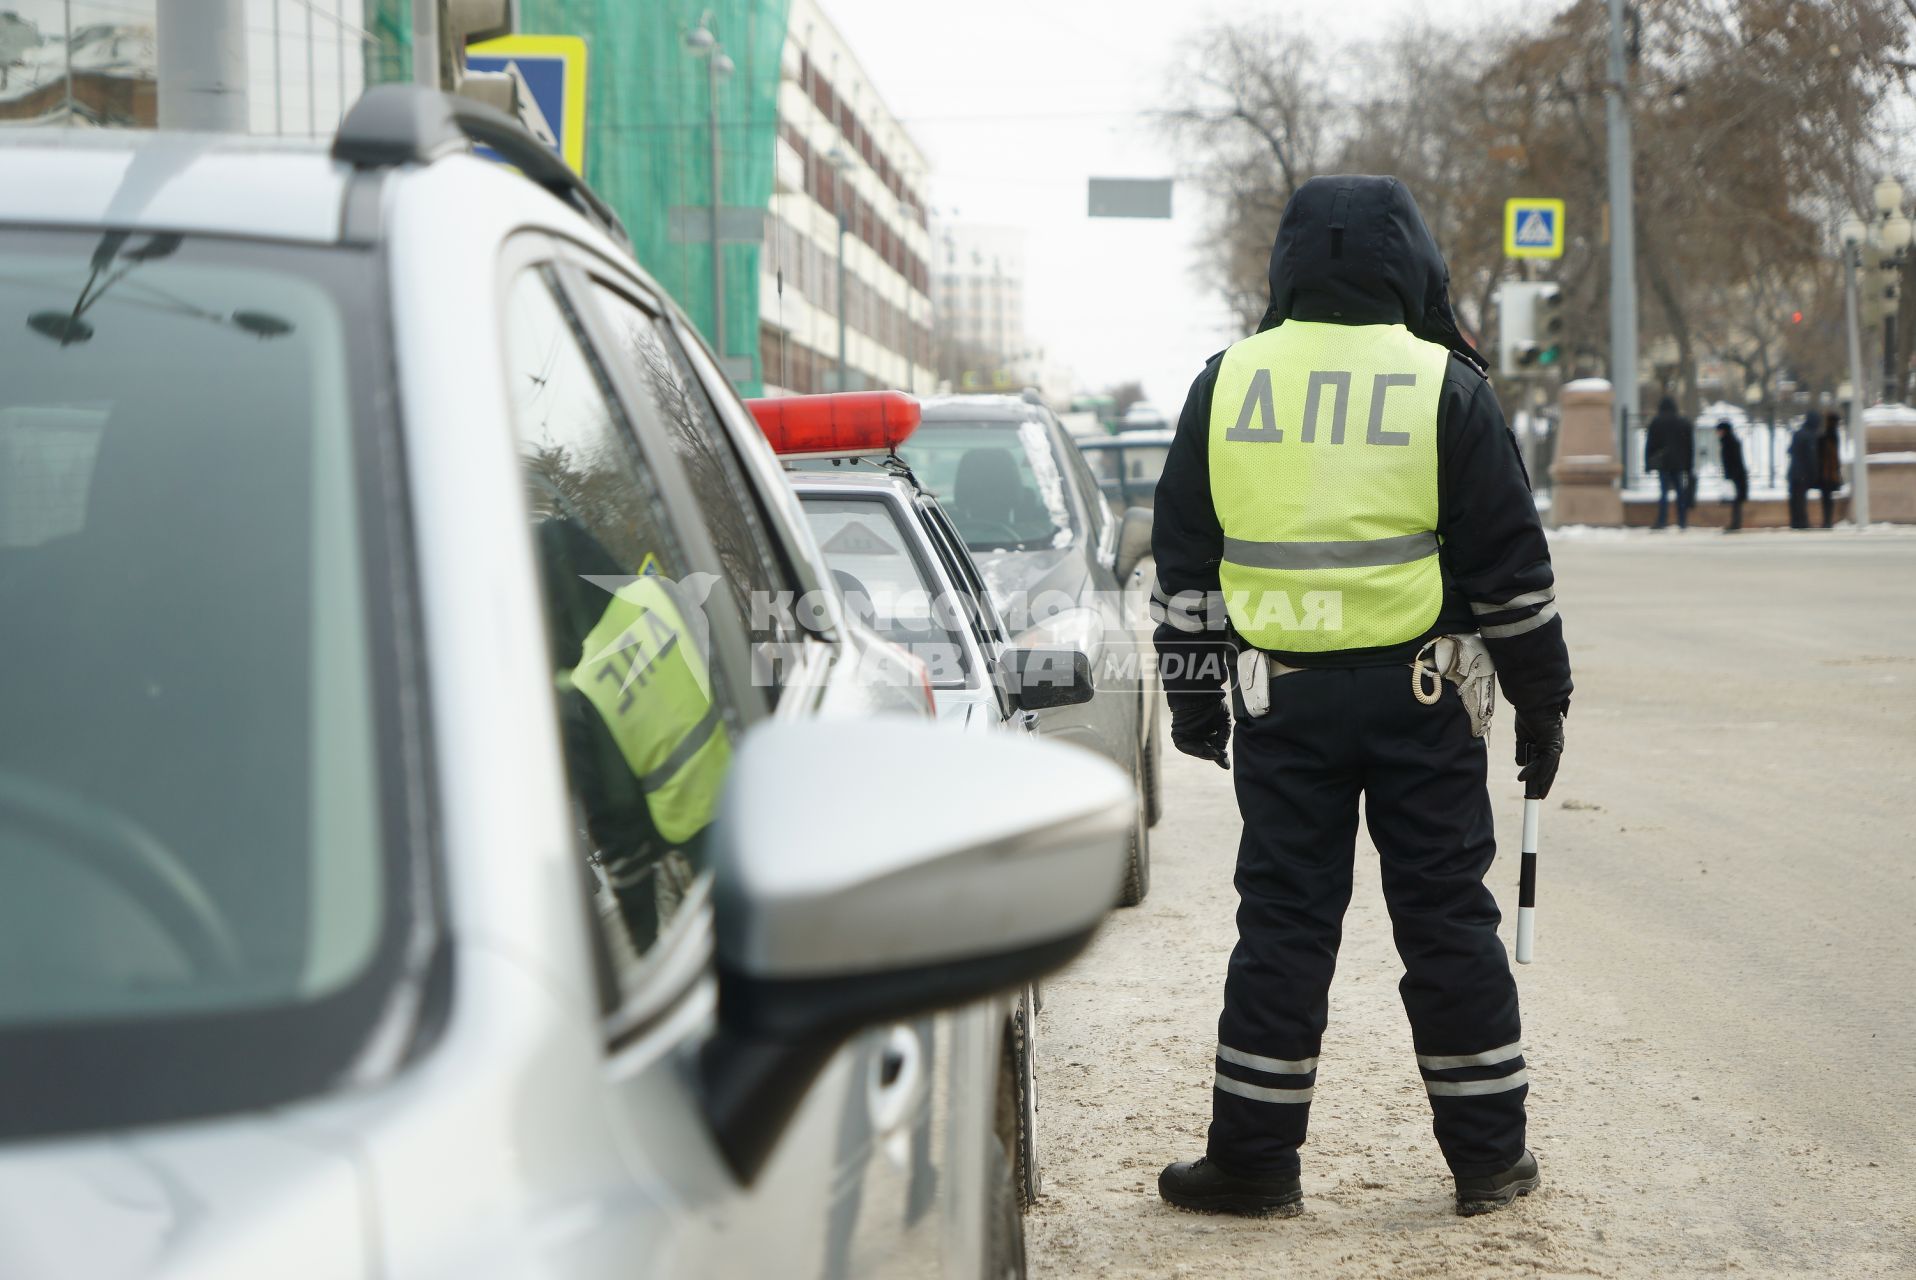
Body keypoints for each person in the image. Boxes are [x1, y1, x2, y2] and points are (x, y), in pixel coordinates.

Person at [1149, 175, 1572, 1220]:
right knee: (1443, 919)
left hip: (1281, 704)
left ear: (1287, 263)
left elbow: (1185, 567)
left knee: (1284, 925)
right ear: (1409, 262)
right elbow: (1509, 569)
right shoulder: (1445, 384)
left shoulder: (1225, 382)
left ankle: (1251, 1160)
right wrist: (1540, 700)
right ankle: (1487, 1160)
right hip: (1420, 700)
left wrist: (1195, 700)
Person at [1644, 395, 1695, 530]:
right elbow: (1689, 445)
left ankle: (1662, 520)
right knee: (1680, 493)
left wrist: (1648, 464)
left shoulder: (1656, 422)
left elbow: (1650, 444)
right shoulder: (1683, 422)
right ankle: (1682, 521)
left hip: (1663, 463)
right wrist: (1689, 465)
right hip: (1678, 463)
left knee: (1663, 493)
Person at [1786, 411, 1821, 529]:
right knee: (1801, 498)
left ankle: (1795, 522)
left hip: (1793, 472)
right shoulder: (1811, 435)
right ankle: (1802, 523)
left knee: (1794, 498)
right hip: (1803, 473)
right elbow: (1812, 457)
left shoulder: (1797, 433)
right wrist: (1815, 474)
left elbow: (1789, 451)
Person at [1715, 421, 1748, 532]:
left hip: (1735, 475)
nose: (1717, 433)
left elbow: (1733, 460)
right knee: (1735, 500)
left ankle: (1735, 524)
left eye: (1719, 430)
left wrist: (1730, 475)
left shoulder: (1729, 442)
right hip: (1736, 474)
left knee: (1736, 500)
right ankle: (1735, 523)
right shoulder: (1729, 441)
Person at [1818, 412, 1844, 528]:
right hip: (1831, 472)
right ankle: (1827, 521)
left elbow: (1828, 455)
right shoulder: (1833, 435)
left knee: (1826, 499)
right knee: (1828, 498)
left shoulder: (1828, 436)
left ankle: (1827, 521)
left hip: (1827, 472)